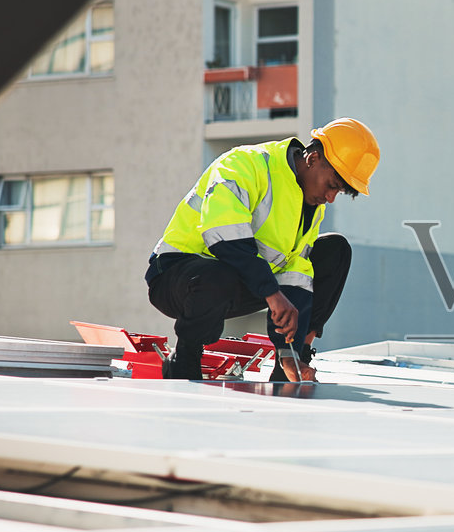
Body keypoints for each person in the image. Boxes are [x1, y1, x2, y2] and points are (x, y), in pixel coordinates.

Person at [145, 118, 379, 382]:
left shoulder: (311, 206)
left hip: (245, 282)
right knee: (218, 274)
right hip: (178, 277)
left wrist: (287, 345)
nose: (331, 197)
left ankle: (293, 362)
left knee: (334, 251)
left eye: (340, 192)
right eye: (333, 185)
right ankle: (185, 358)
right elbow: (225, 239)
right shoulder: (244, 164)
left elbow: (296, 270)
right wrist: (272, 293)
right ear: (312, 159)